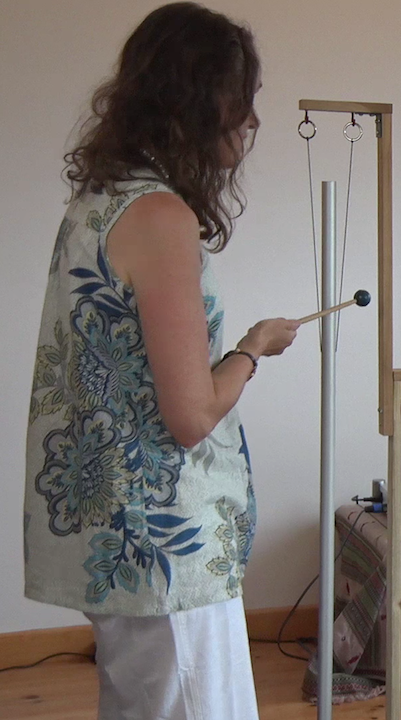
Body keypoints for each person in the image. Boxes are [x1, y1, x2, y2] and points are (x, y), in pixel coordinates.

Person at [24, 4, 298, 717]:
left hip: (122, 541)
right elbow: (191, 415)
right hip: (163, 549)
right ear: (200, 102)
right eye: (242, 99)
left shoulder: (99, 202)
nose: (252, 120)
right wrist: (252, 349)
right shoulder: (158, 216)